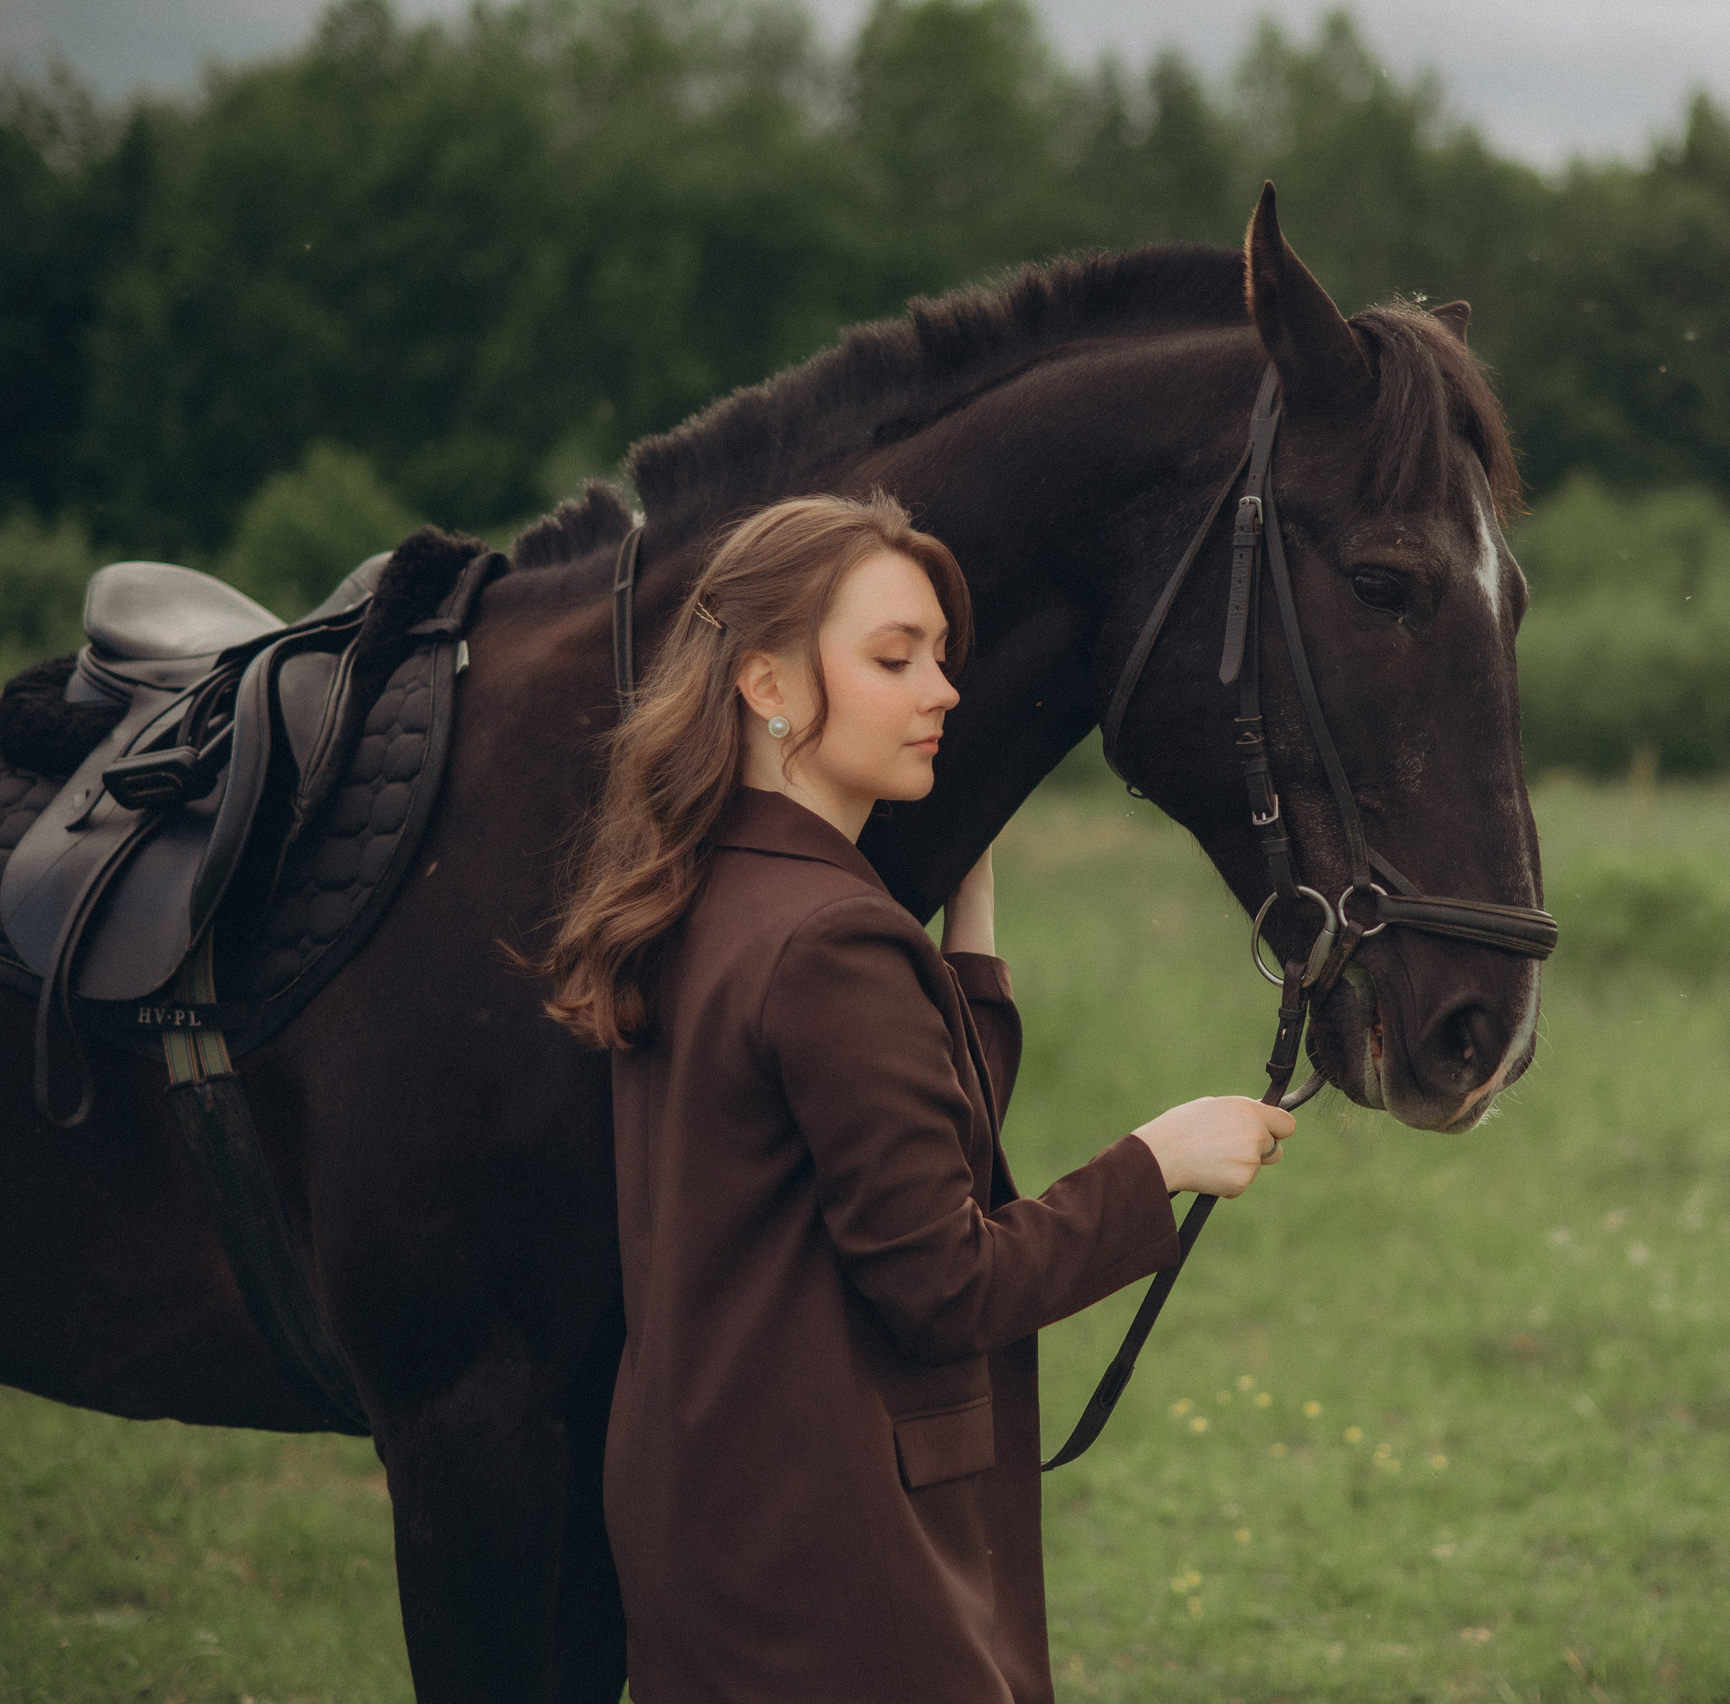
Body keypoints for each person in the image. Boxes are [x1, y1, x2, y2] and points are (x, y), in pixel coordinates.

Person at [537, 493, 1294, 1702]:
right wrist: (1156, 1162)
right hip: (832, 1541)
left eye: (941, 657)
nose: (944, 690)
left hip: (702, 1512)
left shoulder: (691, 895)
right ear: (767, 683)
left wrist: (971, 947)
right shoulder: (832, 943)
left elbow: (876, 1156)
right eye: (895, 657)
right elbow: (946, 1282)